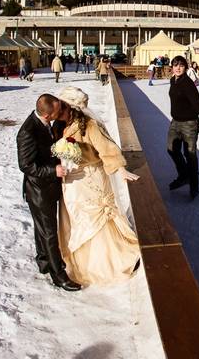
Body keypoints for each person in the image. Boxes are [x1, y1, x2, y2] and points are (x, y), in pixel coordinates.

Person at [54, 87, 141, 287]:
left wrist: (120, 169)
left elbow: (107, 149)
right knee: (79, 219)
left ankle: (114, 262)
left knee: (96, 220)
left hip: (91, 178)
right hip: (73, 182)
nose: (59, 112)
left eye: (63, 107)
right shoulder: (61, 125)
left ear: (72, 108)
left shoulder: (90, 125)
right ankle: (84, 265)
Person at [17, 94, 81, 292]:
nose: (60, 112)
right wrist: (54, 171)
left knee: (42, 229)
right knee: (49, 233)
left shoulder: (45, 123)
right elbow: (26, 166)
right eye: (57, 111)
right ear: (47, 115)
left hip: (48, 188)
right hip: (38, 190)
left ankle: (44, 261)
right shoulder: (27, 132)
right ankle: (58, 275)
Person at [166, 55, 199, 200]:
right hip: (175, 122)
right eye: (175, 65)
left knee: (190, 155)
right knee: (172, 149)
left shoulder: (187, 83)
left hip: (189, 123)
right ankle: (184, 176)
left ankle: (194, 186)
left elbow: (196, 101)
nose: (178, 68)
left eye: (181, 65)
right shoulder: (173, 80)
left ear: (185, 67)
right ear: (172, 67)